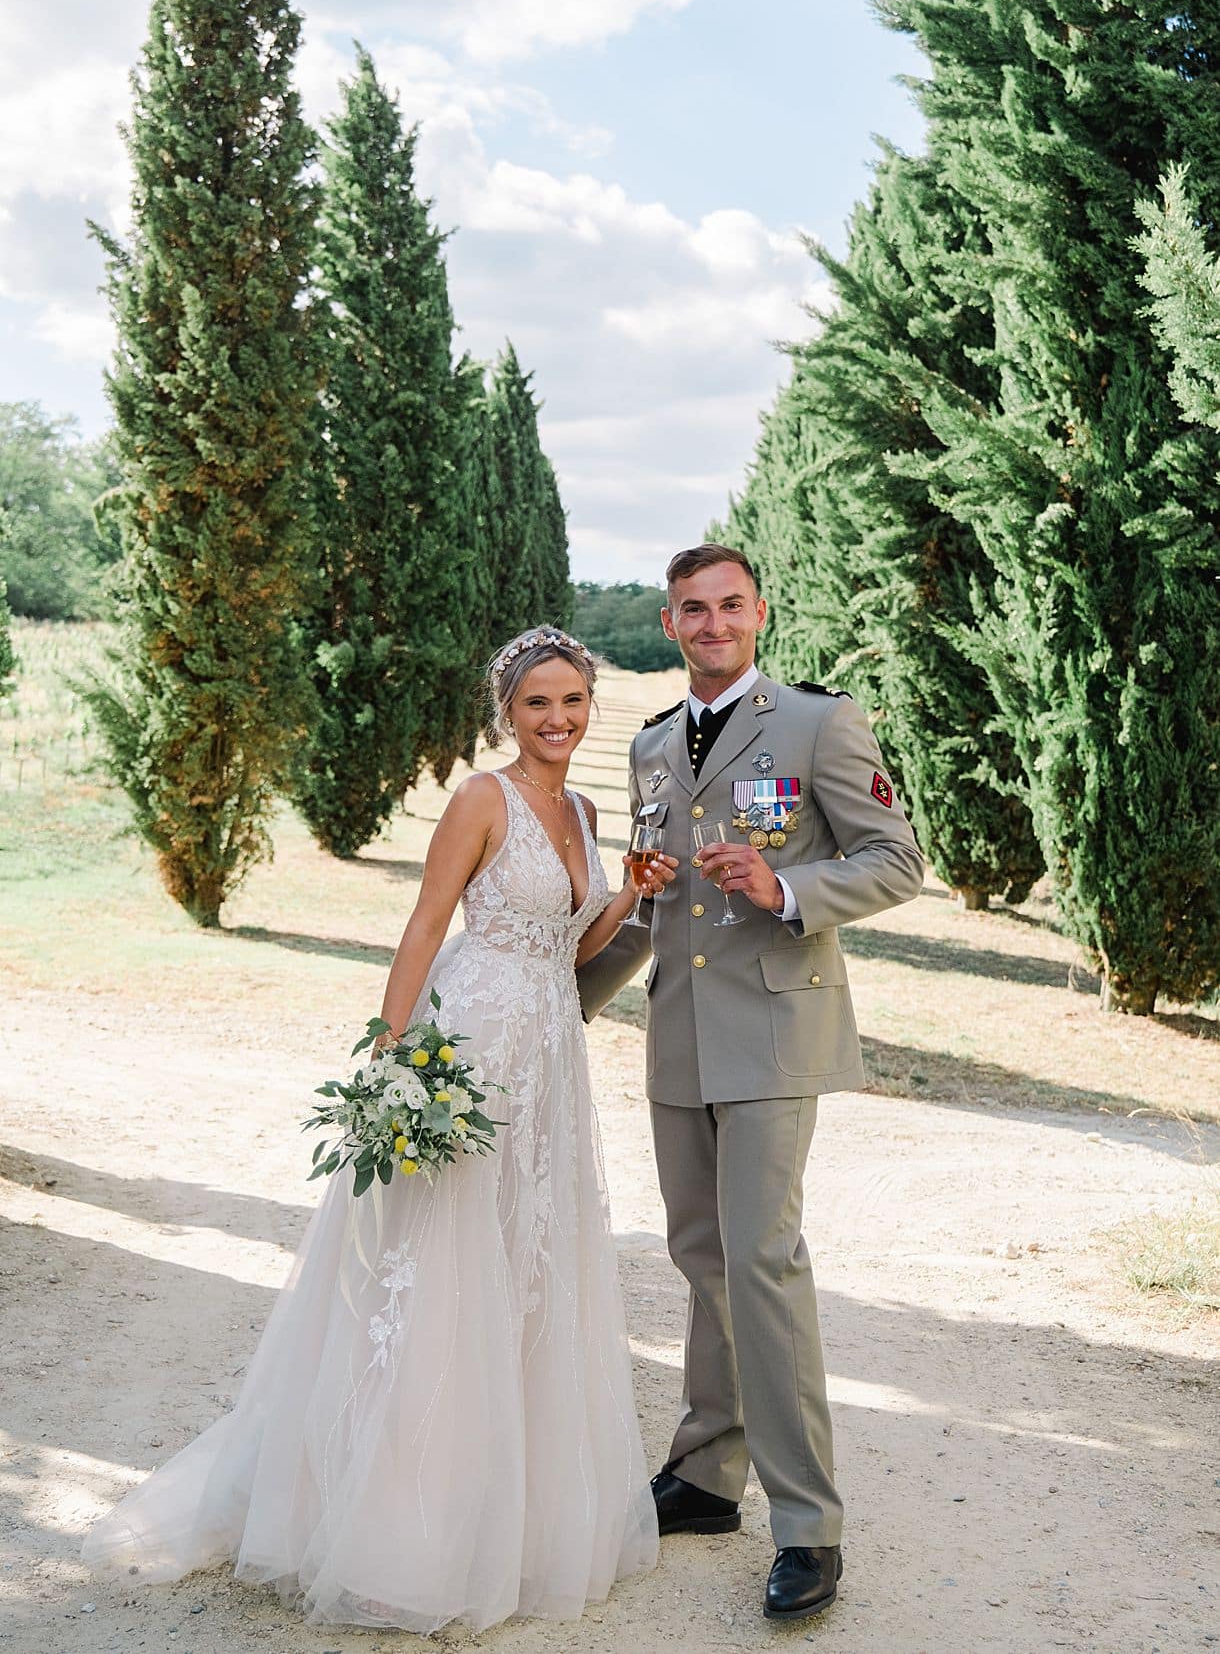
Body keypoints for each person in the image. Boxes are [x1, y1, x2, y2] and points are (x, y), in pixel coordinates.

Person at [82, 627, 675, 1634]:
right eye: (537, 703)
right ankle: (392, 1524)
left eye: (572, 701)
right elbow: (424, 923)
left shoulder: (578, 806)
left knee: (523, 1265)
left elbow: (572, 940)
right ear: (506, 711)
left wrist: (629, 894)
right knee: (436, 1271)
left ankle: (506, 1514)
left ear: (589, 705)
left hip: (547, 1063)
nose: (557, 719)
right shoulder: (481, 799)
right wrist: (395, 1060)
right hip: (468, 1048)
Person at [577, 544, 925, 1624]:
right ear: (670, 622)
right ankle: (704, 1470)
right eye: (693, 608)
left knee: (761, 1265)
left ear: (758, 613)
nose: (713, 622)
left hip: (773, 1037)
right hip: (677, 1040)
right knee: (700, 1256)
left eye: (730, 604)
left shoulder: (819, 723)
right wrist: (565, 1000)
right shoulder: (644, 747)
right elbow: (648, 905)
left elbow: (896, 859)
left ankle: (808, 1522)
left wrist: (785, 883)